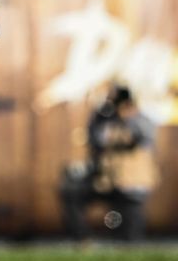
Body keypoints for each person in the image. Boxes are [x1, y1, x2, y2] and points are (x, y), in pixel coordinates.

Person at [59, 86, 158, 242]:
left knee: (130, 226)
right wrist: (100, 116)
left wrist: (126, 116)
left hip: (131, 185)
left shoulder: (140, 120)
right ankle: (84, 240)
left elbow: (138, 139)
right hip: (106, 181)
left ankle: (131, 245)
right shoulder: (107, 120)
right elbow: (96, 140)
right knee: (72, 194)